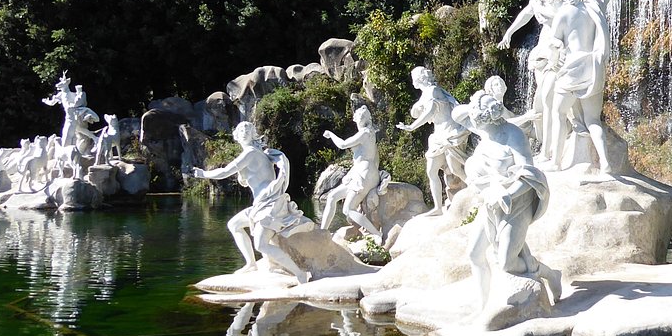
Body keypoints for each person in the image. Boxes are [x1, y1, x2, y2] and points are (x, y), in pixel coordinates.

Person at [497, 0, 614, 174]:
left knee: (555, 103)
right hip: (577, 56)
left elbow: (556, 37)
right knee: (550, 100)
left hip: (561, 52)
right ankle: (550, 150)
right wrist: (509, 33)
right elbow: (526, 13)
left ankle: (555, 156)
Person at [462, 91, 554, 311]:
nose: (471, 121)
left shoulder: (513, 135)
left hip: (517, 203)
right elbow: (458, 115)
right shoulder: (484, 135)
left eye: (475, 116)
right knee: (474, 253)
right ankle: (483, 305)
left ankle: (548, 273)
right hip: (492, 204)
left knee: (507, 263)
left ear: (486, 118)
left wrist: (508, 194)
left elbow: (529, 175)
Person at [190, 121, 311, 283]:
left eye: (248, 130)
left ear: (253, 134)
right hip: (261, 204)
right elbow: (246, 178)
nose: (245, 132)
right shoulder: (258, 153)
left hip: (270, 204)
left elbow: (226, 171)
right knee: (234, 224)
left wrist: (204, 174)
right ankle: (251, 264)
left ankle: (299, 273)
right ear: (236, 135)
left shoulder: (250, 153)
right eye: (241, 130)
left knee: (261, 245)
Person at [397, 67, 470, 214]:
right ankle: (437, 207)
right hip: (438, 136)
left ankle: (474, 186)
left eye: (414, 78)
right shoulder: (427, 93)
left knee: (455, 167)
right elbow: (417, 111)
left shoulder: (433, 91)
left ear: (419, 79)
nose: (412, 81)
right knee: (431, 171)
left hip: (450, 132)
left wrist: (412, 127)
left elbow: (429, 111)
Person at [320, 105, 383, 239]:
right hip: (362, 173)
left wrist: (331, 135)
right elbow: (376, 156)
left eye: (359, 116)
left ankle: (377, 234)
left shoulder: (365, 133)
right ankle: (322, 232)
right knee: (332, 197)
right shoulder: (369, 133)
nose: (357, 118)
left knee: (348, 209)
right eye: (357, 116)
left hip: (364, 174)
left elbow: (343, 145)